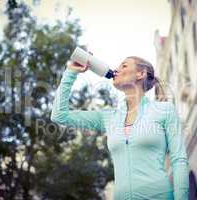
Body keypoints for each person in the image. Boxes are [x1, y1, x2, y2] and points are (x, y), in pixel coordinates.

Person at [50, 56, 189, 200]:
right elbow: (59, 115)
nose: (116, 69)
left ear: (141, 74)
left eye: (124, 66)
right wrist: (71, 73)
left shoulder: (164, 110)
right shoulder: (108, 117)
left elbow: (179, 160)